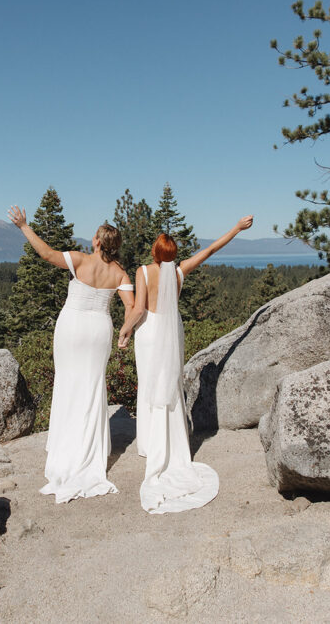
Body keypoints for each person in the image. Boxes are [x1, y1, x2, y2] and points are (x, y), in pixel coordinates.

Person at [119, 215, 253, 514]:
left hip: (150, 332)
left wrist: (126, 329)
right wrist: (236, 228)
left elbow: (139, 309)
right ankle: (174, 444)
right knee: (171, 384)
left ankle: (150, 443)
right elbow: (210, 251)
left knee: (151, 384)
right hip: (172, 329)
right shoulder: (179, 273)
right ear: (174, 254)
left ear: (154, 253)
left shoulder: (142, 271)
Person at [8, 206, 135, 503]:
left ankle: (66, 450)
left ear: (98, 242)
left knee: (68, 384)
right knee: (92, 387)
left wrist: (24, 227)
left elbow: (47, 254)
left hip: (72, 326)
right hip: (99, 330)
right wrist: (125, 332)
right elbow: (130, 307)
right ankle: (89, 452)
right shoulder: (119, 273)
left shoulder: (79, 260)